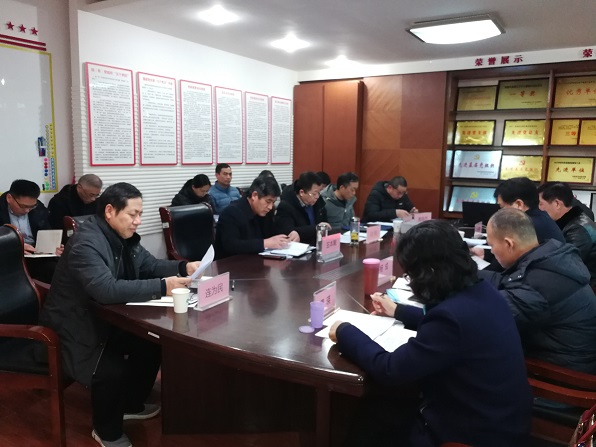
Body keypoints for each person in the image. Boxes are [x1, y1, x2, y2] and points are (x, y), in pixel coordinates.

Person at [329, 220, 531, 447]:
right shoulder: (484, 290)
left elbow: (390, 369)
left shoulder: (451, 318)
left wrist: (345, 331)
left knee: (371, 414)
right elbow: (455, 331)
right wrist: (398, 311)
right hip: (503, 422)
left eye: (411, 274)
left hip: (469, 435)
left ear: (429, 273)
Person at [39, 182, 201, 447]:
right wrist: (164, 286)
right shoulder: (86, 243)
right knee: (111, 368)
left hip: (104, 316)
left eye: (140, 214)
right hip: (74, 325)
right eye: (133, 214)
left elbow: (150, 265)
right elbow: (105, 289)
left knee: (150, 343)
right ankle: (106, 431)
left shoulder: (122, 237)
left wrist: (184, 267)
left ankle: (130, 404)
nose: (138, 221)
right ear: (110, 211)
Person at [480, 208, 596, 373]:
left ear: (509, 244)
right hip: (570, 355)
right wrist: (467, 274)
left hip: (564, 372)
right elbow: (507, 280)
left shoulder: (539, 283)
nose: (491, 251)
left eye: (491, 245)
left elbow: (490, 320)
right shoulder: (550, 258)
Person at [215, 175, 299, 259]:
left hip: (257, 261)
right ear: (254, 195)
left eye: (273, 202)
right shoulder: (231, 212)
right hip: (231, 263)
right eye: (268, 201)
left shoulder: (266, 212)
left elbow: (273, 233)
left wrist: (289, 235)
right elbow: (231, 245)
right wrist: (265, 243)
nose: (270, 207)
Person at [0, 179, 63, 282]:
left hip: (35, 255)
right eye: (23, 206)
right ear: (9, 198)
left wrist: (52, 246)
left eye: (31, 207)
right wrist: (17, 246)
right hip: (8, 256)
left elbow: (46, 231)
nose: (26, 211)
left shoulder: (39, 209)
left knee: (59, 272)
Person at [537, 181, 596, 287]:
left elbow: (565, 264)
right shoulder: (569, 223)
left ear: (557, 204)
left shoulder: (577, 229)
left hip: (585, 287)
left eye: (540, 204)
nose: (538, 209)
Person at [276, 171, 329, 245]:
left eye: (319, 192)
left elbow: (324, 222)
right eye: (314, 193)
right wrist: (316, 228)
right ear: (302, 192)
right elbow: (289, 232)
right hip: (299, 248)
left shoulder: (318, 201)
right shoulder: (286, 207)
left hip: (318, 245)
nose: (317, 196)